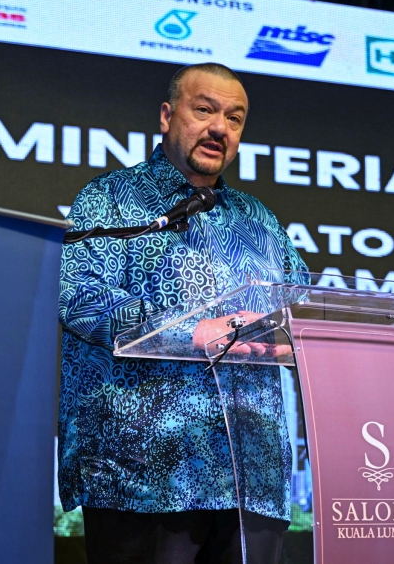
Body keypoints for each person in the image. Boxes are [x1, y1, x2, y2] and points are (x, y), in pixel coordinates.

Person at [58, 63, 308, 564]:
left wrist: (289, 334)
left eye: (234, 119)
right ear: (167, 117)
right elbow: (75, 295)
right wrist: (188, 332)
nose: (220, 127)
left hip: (251, 478)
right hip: (143, 473)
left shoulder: (257, 219)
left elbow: (301, 305)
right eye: (205, 110)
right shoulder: (110, 200)